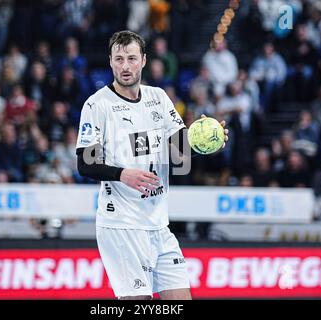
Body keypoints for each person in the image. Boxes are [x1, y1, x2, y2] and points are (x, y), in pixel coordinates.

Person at [76, 30, 228, 300]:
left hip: (158, 225)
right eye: (119, 59)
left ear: (144, 60)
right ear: (110, 62)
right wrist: (122, 174)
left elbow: (180, 149)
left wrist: (204, 139)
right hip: (122, 226)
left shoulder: (158, 97)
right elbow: (85, 164)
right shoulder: (97, 105)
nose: (125, 66)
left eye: (132, 58)